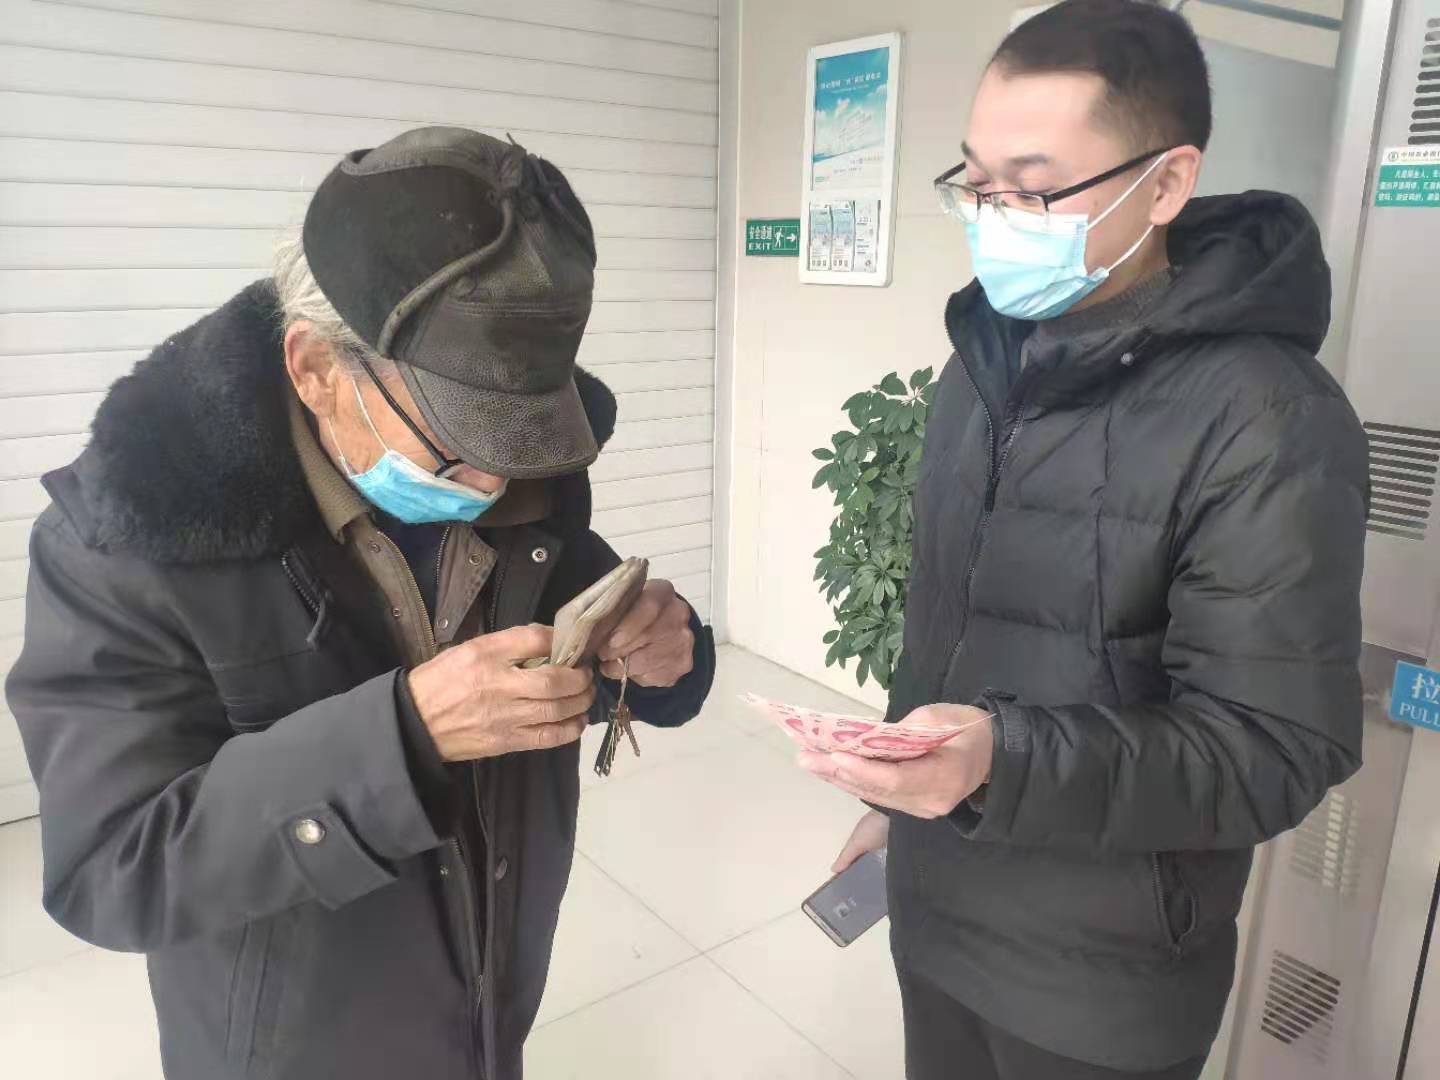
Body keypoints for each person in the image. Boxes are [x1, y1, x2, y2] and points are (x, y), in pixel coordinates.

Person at [5, 126, 715, 1080]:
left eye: (516, 438)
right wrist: (401, 740)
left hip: (491, 1005)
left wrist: (666, 657)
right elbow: (111, 869)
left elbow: (593, 647)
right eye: (457, 441)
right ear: (316, 368)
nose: (493, 481)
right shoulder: (126, 543)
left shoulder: (524, 480)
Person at [797, 3, 1367, 1078]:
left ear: (1166, 183)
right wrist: (899, 808)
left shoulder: (1267, 418)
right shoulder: (983, 363)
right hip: (939, 912)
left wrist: (998, 761)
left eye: (1033, 188)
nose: (993, 217)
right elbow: (946, 630)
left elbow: (1276, 747)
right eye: (976, 182)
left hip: (1101, 989)